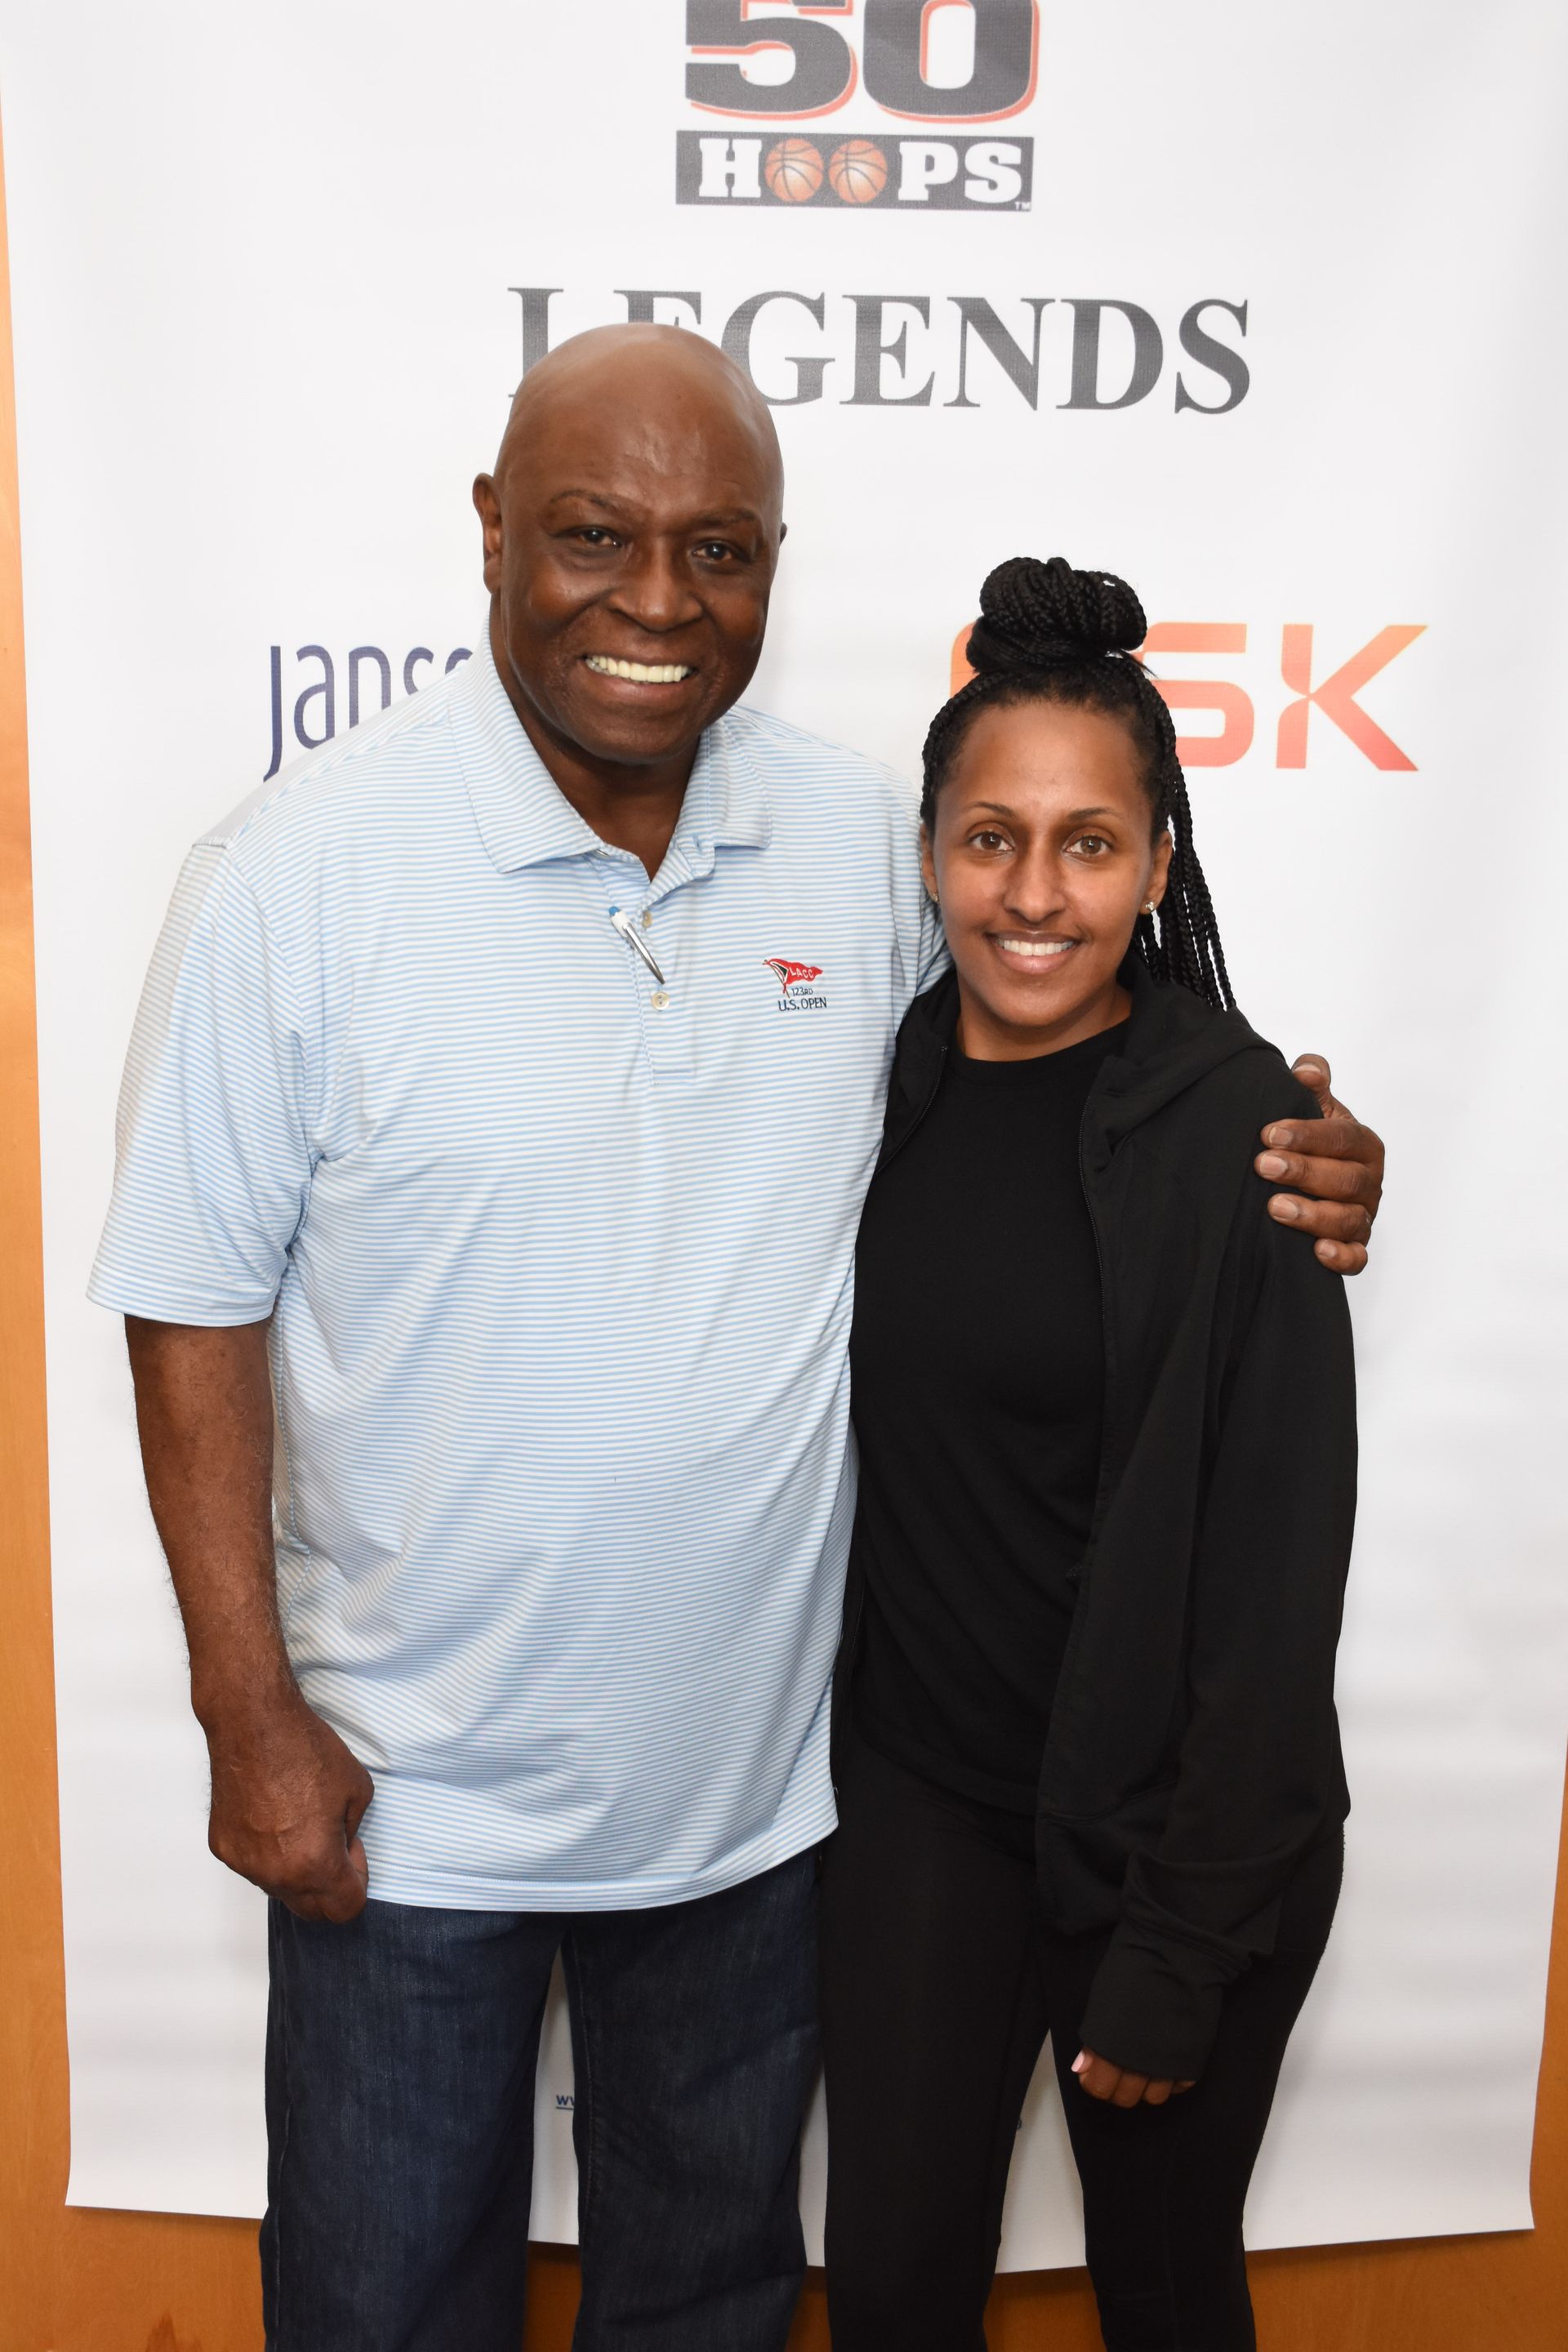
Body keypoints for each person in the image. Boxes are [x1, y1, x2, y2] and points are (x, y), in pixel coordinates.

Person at [90, 330, 1383, 2352]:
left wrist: (1288, 1149)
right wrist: (249, 1721)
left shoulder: (870, 842)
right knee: (377, 2310)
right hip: (408, 1805)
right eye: (597, 536)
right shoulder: (296, 879)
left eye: (721, 548)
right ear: (494, 533)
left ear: (776, 565)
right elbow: (194, 1300)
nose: (658, 602)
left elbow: (1069, 1018)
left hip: (763, 1817)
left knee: (704, 2306)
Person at [819, 554, 1359, 2351]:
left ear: (1158, 865)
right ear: (927, 853)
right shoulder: (885, 1077)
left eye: (1089, 844)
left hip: (1175, 1838)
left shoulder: (1247, 1143)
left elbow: (1276, 1599)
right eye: (989, 839)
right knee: (891, 2290)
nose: (1033, 895)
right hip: (925, 1808)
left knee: (1164, 2298)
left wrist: (1179, 1952)